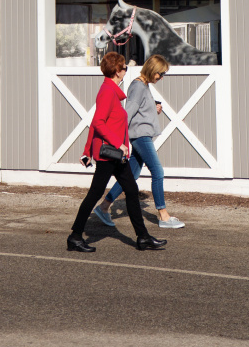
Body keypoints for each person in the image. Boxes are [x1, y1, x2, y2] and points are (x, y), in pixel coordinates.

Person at [67, 50, 167, 253]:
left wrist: (88, 150)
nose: (126, 70)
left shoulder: (112, 92)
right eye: (124, 67)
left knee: (131, 192)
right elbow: (97, 123)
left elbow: (97, 124)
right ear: (117, 71)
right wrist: (114, 144)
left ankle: (143, 237)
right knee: (94, 194)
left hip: (117, 155)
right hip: (108, 155)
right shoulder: (106, 92)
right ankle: (75, 236)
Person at [94, 54, 185, 229]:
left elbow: (141, 110)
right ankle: (163, 216)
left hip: (142, 135)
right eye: (160, 73)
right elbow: (127, 114)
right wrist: (120, 141)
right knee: (157, 171)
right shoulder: (138, 86)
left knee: (132, 175)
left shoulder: (144, 85)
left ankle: (104, 206)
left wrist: (154, 108)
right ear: (152, 70)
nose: (161, 77)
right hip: (140, 137)